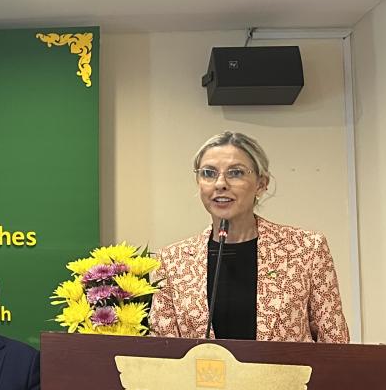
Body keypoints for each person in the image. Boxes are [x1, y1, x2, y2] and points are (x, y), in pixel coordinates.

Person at [147, 130, 350, 342]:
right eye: (208, 173)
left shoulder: (306, 249)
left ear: (261, 184)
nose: (220, 184)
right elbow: (164, 352)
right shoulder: (171, 261)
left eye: (235, 173)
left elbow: (335, 343)